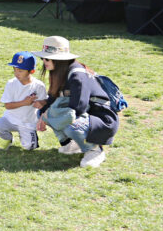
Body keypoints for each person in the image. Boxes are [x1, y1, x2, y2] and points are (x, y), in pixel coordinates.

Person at [34, 36, 119, 168]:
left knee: (68, 121)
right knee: (42, 112)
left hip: (102, 121)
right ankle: (71, 144)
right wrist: (44, 113)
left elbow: (78, 108)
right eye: (42, 58)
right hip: (86, 118)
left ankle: (95, 150)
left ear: (59, 59)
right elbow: (53, 99)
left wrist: (48, 115)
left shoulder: (76, 75)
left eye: (47, 58)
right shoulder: (60, 71)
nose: (44, 61)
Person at [0, 51, 48, 150]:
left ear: (31, 71)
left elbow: (45, 103)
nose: (16, 73)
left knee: (30, 147)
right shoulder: (11, 83)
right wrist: (24, 102)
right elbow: (7, 105)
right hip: (10, 119)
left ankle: (25, 135)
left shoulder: (39, 86)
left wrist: (42, 116)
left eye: (20, 71)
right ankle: (8, 138)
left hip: (28, 122)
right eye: (15, 69)